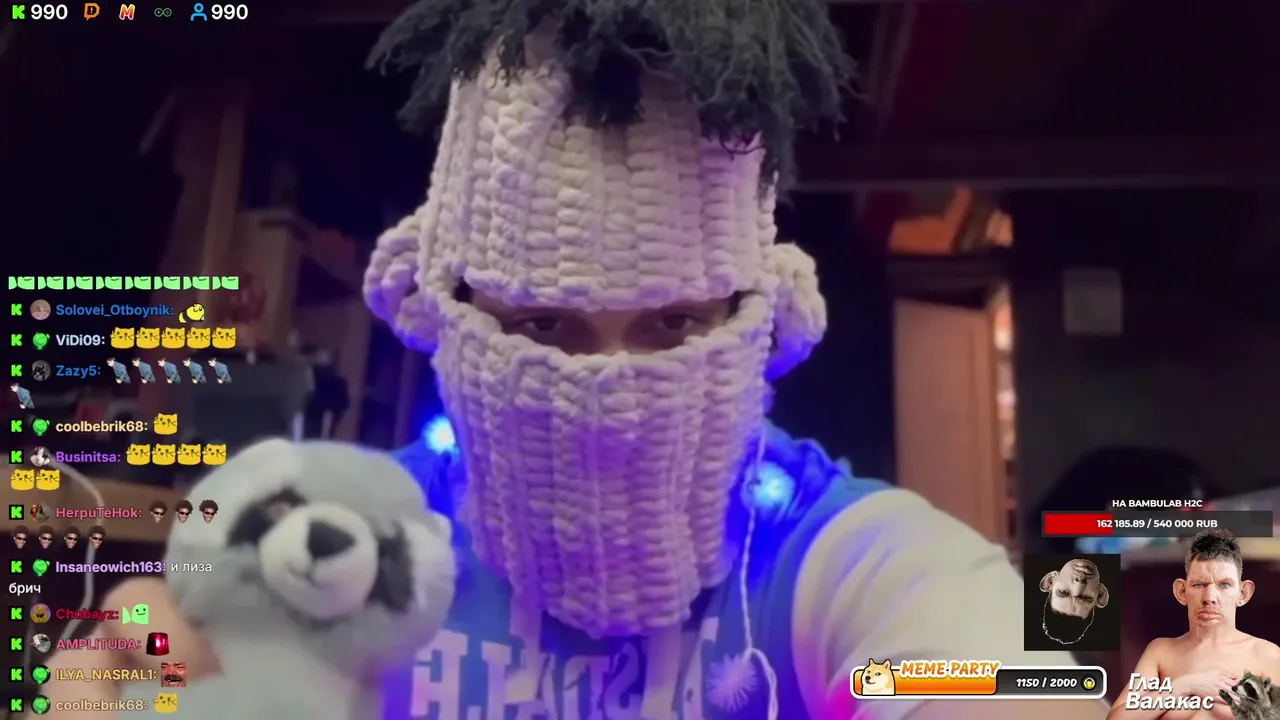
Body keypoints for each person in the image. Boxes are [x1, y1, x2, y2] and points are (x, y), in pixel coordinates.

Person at [34, 1, 1103, 718]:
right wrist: (145, 662)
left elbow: (989, 669)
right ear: (429, 305)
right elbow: (170, 640)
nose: (613, 395)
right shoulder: (358, 544)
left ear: (770, 318)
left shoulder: (826, 559)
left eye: (675, 328)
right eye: (542, 329)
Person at [1107, 530, 1280, 719]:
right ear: (1181, 592)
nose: (1210, 597)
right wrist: (1186, 685)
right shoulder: (1161, 653)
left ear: (1243, 593)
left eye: (1224, 585)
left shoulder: (1266, 655)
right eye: (1199, 585)